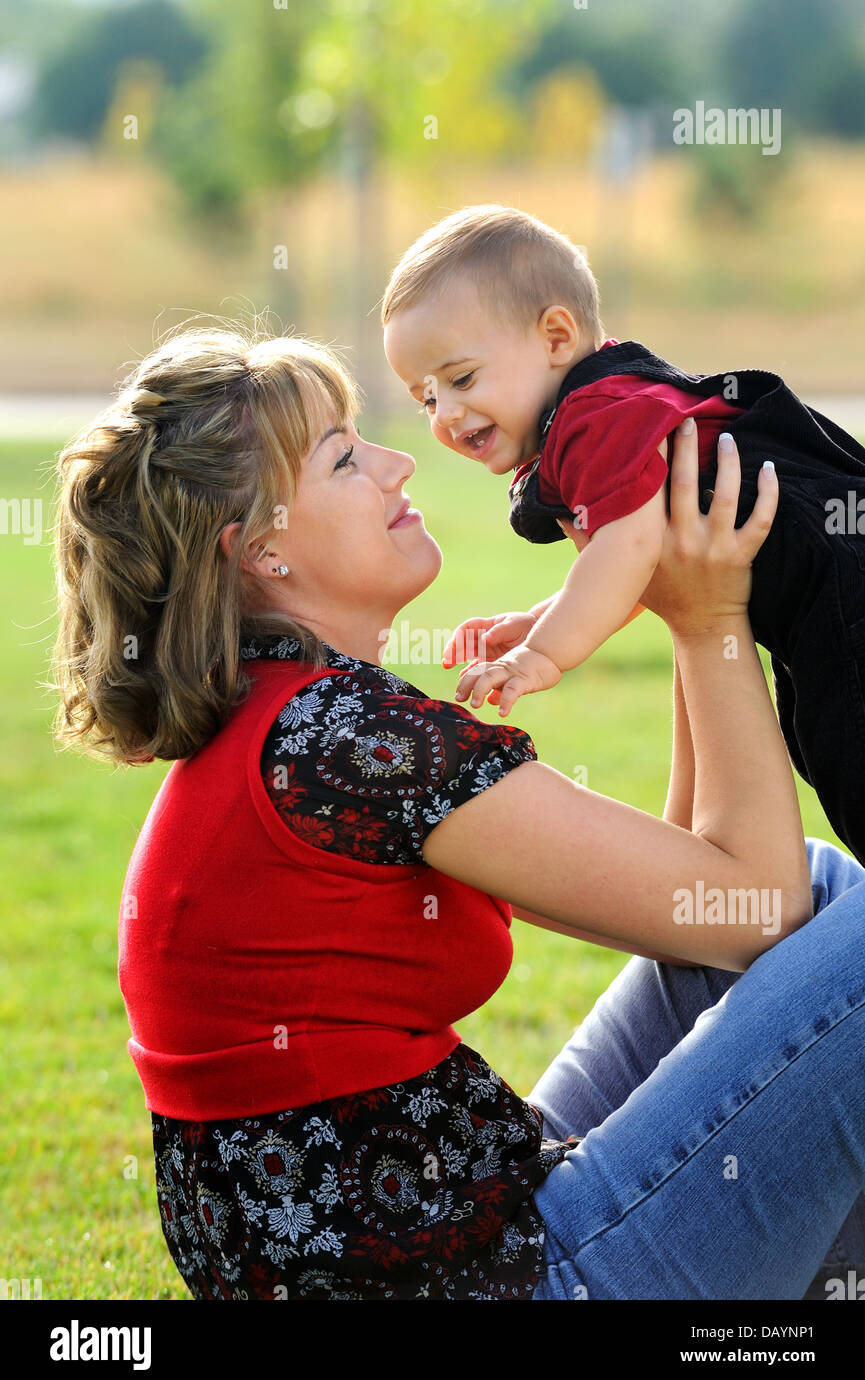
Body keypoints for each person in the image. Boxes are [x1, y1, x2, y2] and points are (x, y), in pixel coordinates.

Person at [52, 323, 865, 1301]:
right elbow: (753, 908)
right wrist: (709, 622)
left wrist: (666, 589)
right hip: (514, 1282)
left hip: (481, 1220)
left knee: (824, 892)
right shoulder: (347, 741)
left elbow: (706, 907)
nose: (400, 462)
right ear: (260, 548)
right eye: (346, 457)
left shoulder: (287, 724)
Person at [381, 204, 865, 867]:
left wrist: (542, 655)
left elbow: (627, 551)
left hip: (842, 587)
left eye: (461, 378)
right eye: (426, 397)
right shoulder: (607, 403)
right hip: (824, 594)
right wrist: (538, 617)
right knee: (825, 746)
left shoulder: (592, 420)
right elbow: (638, 559)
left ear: (556, 337)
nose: (446, 414)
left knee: (847, 751)